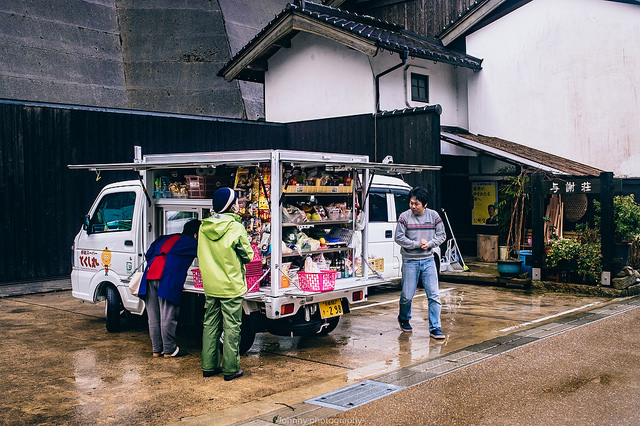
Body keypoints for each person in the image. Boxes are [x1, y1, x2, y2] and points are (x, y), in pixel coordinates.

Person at [198, 187, 254, 381]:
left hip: (211, 285)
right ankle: (230, 369)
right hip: (231, 285)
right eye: (237, 202)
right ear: (231, 206)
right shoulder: (235, 227)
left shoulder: (203, 227)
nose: (239, 205)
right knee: (231, 327)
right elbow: (248, 255)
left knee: (210, 325)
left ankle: (208, 366)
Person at [139, 219, 201, 358]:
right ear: (196, 234)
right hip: (167, 278)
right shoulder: (191, 242)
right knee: (168, 315)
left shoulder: (167, 237)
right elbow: (207, 254)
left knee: (153, 316)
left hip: (150, 276)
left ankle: (157, 349)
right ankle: (169, 349)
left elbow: (149, 253)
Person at [395, 186, 447, 339]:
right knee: (407, 296)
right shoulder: (404, 217)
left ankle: (435, 328)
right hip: (410, 261)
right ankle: (404, 318)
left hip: (428, 260)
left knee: (434, 295)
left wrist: (430, 243)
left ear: (425, 204)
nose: (413, 206)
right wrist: (416, 244)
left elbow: (442, 235)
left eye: (416, 204)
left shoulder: (434, 216)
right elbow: (399, 237)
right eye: (411, 203)